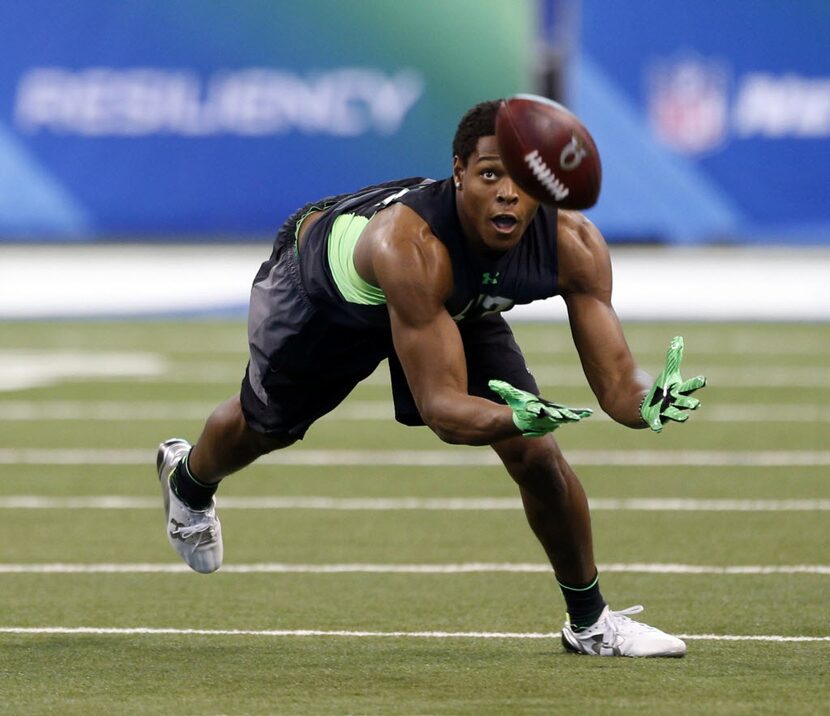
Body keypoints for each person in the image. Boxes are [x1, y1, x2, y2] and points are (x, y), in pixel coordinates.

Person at [156, 98, 706, 658]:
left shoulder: (575, 244)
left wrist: (647, 401)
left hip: (448, 302)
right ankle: (188, 482)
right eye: (490, 174)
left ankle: (590, 624)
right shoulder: (410, 246)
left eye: (522, 180)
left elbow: (617, 384)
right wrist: (512, 415)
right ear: (459, 172)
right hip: (328, 295)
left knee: (536, 454)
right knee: (262, 428)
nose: (508, 194)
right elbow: (442, 407)